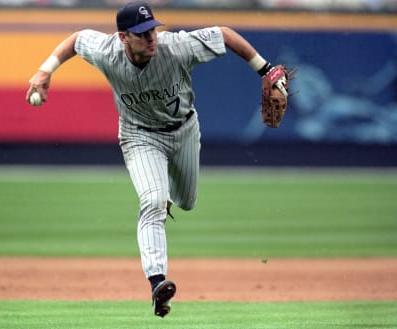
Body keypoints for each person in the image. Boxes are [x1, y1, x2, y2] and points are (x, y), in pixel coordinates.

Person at [26, 1, 285, 317]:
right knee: (152, 202)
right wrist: (45, 69)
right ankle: (157, 283)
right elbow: (77, 40)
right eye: (141, 33)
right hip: (139, 136)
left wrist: (265, 68)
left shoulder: (176, 47)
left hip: (185, 130)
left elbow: (225, 34)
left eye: (152, 30)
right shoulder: (107, 51)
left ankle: (167, 198)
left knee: (187, 201)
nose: (151, 38)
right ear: (123, 38)